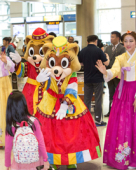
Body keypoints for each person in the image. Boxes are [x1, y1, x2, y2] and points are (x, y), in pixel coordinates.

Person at [35, 36, 102, 169]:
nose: (57, 68)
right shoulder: (48, 73)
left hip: (70, 105)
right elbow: (47, 86)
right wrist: (40, 80)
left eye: (63, 63)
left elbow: (72, 89)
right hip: (49, 104)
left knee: (71, 134)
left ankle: (71, 160)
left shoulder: (72, 75)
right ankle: (52, 161)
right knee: (49, 135)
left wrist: (65, 104)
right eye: (53, 63)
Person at [95, 31, 136, 170]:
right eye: (126, 41)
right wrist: (105, 72)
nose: (128, 44)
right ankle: (124, 158)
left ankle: (134, 159)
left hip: (135, 91)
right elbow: (114, 71)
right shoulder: (120, 57)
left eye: (131, 41)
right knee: (122, 123)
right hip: (123, 92)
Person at [5, 91, 49, 170]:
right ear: (24, 104)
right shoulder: (34, 121)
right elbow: (41, 142)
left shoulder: (11, 125)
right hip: (36, 159)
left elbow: (8, 148)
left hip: (20, 161)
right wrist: (45, 159)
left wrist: (7, 164)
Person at [78, 35, 109, 126]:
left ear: (87, 41)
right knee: (98, 99)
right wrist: (107, 56)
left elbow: (80, 63)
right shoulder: (99, 50)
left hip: (87, 78)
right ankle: (98, 120)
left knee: (87, 100)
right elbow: (106, 63)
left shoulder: (83, 51)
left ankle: (86, 120)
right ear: (96, 41)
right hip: (98, 79)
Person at [104, 31, 126, 117]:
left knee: (119, 93)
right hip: (109, 74)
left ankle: (119, 110)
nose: (111, 38)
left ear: (118, 38)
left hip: (118, 74)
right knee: (111, 92)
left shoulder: (122, 48)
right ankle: (111, 111)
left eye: (113, 37)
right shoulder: (108, 48)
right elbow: (105, 58)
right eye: (111, 37)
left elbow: (122, 61)